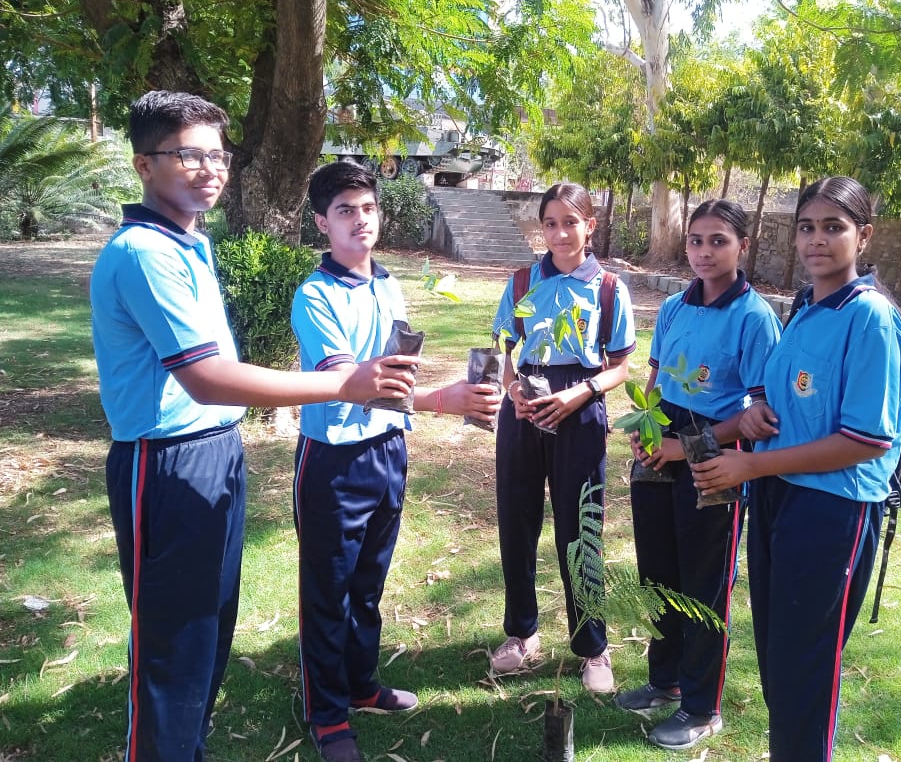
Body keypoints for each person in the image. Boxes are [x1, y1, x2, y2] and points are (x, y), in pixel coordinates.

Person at [90, 91, 420, 762]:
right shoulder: (143, 253)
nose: (209, 168)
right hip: (166, 462)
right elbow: (207, 376)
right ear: (143, 164)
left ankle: (188, 747)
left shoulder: (189, 243)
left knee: (208, 633)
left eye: (217, 154)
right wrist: (343, 383)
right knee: (172, 647)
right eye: (189, 154)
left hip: (215, 452)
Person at [692, 176, 901, 762]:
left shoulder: (871, 318)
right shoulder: (807, 305)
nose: (817, 240)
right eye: (806, 227)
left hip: (830, 510)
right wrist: (762, 414)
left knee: (805, 668)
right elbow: (800, 403)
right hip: (779, 498)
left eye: (833, 227)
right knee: (778, 656)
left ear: (862, 236)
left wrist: (750, 468)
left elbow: (865, 440)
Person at [290, 161, 501, 762]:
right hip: (334, 461)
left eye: (368, 208)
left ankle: (360, 685)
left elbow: (394, 374)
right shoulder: (315, 296)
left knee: (368, 583)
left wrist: (438, 398)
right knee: (327, 591)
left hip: (388, 451)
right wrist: (446, 400)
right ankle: (326, 713)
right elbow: (353, 384)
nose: (360, 220)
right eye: (345, 211)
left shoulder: (387, 283)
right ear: (321, 224)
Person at [615, 200, 781, 749]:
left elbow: (758, 418)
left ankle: (701, 705)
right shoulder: (672, 307)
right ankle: (663, 681)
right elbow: (657, 380)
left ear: (743, 246)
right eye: (695, 241)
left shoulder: (755, 318)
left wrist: (682, 448)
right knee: (658, 572)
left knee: (704, 582)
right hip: (658, 448)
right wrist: (645, 433)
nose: (704, 252)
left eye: (718, 241)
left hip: (715, 458)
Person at [487, 182, 636, 693]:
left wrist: (580, 394)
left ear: (589, 226)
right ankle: (522, 633)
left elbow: (620, 365)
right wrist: (512, 390)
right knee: (517, 522)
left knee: (582, 532)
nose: (559, 233)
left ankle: (593, 644)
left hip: (581, 412)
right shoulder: (524, 280)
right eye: (550, 223)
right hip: (524, 412)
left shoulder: (610, 287)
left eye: (570, 222)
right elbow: (504, 347)